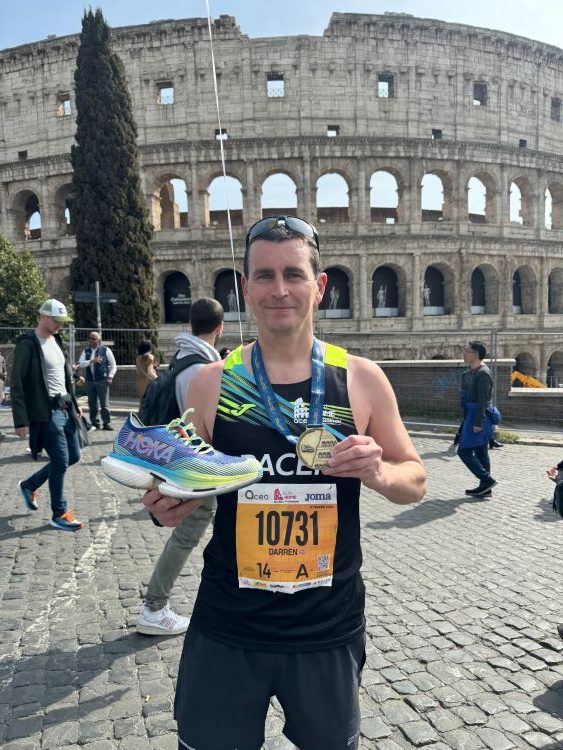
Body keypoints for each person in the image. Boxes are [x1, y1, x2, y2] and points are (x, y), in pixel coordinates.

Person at [142, 216, 426, 750]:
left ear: (319, 286)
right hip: (229, 621)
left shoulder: (360, 378)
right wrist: (164, 504)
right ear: (245, 288)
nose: (279, 290)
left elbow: (415, 479)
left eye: (293, 274)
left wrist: (380, 470)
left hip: (326, 625)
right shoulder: (213, 383)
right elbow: (170, 488)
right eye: (264, 276)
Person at [136, 298, 224, 636]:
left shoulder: (185, 358)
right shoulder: (200, 370)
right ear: (220, 328)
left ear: (191, 324)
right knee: (189, 534)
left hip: (183, 465)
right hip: (191, 471)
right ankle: (154, 606)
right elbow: (199, 429)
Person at [10, 299, 82, 531]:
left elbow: (65, 375)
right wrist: (20, 420)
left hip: (65, 408)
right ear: (43, 317)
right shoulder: (28, 344)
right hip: (46, 411)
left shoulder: (57, 341)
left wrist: (74, 401)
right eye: (57, 320)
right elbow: (17, 383)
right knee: (60, 460)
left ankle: (30, 485)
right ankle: (59, 513)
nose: (60, 324)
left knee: (73, 456)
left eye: (62, 320)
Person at [457, 341, 497, 497]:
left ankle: (486, 480)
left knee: (464, 451)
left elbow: (482, 400)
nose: (464, 353)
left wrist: (478, 423)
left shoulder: (483, 373)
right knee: (481, 451)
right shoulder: (471, 372)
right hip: (471, 414)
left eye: (467, 351)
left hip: (478, 416)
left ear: (476, 354)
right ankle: (485, 488)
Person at [78, 331, 117, 430]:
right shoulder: (86, 351)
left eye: (93, 338)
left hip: (102, 380)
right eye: (90, 338)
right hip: (90, 381)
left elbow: (113, 365)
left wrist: (110, 376)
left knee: (104, 404)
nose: (91, 340)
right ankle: (95, 423)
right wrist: (92, 361)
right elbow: (81, 363)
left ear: (98, 340)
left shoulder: (105, 350)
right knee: (92, 404)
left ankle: (106, 423)